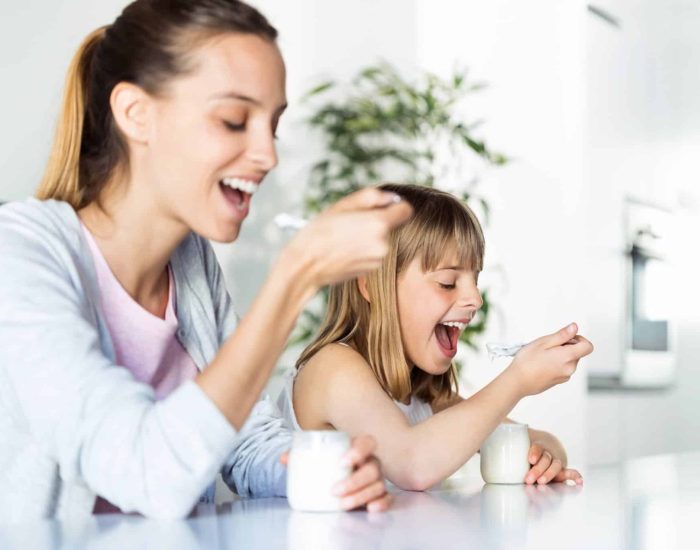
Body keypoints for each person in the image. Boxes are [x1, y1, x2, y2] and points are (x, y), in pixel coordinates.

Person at [0, 0, 413, 522]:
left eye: (273, 125)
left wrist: (312, 470)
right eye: (234, 120)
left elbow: (238, 443)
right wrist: (298, 273)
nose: (267, 155)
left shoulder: (191, 262)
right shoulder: (20, 256)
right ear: (136, 114)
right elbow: (149, 473)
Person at [278, 184, 594, 491]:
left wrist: (546, 457)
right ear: (372, 285)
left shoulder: (424, 397)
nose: (475, 299)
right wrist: (518, 379)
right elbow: (413, 464)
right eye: (447, 282)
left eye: (475, 278)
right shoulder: (332, 368)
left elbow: (538, 440)